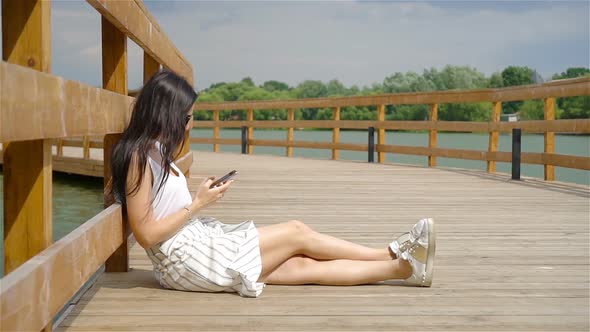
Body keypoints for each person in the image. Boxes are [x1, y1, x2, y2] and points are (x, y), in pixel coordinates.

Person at [109, 70, 436, 298]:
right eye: (188, 118)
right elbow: (147, 233)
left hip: (194, 246)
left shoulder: (156, 151)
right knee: (297, 232)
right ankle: (388, 252)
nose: (190, 125)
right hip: (184, 259)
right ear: (167, 114)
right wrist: (197, 204)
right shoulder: (140, 157)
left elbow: (159, 210)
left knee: (301, 266)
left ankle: (403, 269)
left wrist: (198, 199)